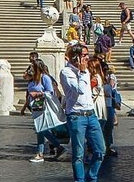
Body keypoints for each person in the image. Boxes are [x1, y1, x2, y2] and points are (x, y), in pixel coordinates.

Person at [61, 43, 107, 182]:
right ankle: (79, 180)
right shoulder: (66, 72)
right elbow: (79, 90)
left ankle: (92, 177)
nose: (87, 58)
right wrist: (81, 72)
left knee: (100, 150)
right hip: (76, 116)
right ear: (76, 57)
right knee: (78, 154)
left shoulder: (85, 71)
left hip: (90, 114)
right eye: (84, 55)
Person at [27, 59, 66, 162]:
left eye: (33, 66)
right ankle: (58, 146)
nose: (31, 68)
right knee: (41, 128)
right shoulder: (33, 79)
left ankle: (40, 153)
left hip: (43, 107)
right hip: (36, 107)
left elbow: (50, 92)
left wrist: (38, 94)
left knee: (40, 128)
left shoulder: (45, 78)